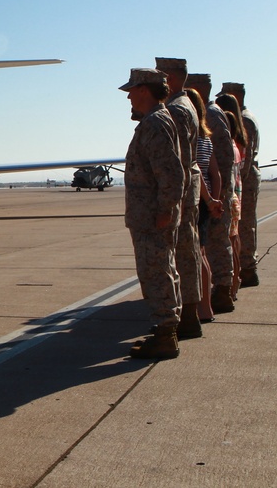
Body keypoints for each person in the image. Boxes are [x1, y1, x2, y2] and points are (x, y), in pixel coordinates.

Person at [120, 68, 185, 360]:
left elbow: (171, 173)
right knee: (161, 271)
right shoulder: (154, 121)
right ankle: (165, 331)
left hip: (152, 217)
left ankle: (165, 334)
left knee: (156, 272)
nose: (130, 97)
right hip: (149, 215)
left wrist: (164, 211)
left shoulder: (155, 124)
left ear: (144, 90)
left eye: (132, 91)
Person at [155, 57, 202, 340]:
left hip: (180, 193)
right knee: (189, 252)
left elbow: (176, 161)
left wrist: (168, 201)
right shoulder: (186, 106)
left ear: (170, 78)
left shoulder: (175, 109)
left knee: (183, 255)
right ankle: (188, 317)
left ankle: (186, 319)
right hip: (188, 189)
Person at [186, 73, 236, 314]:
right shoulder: (206, 131)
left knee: (209, 247)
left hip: (205, 198)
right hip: (211, 197)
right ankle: (218, 294)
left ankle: (220, 293)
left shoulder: (209, 118)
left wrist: (216, 198)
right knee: (210, 247)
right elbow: (215, 169)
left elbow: (211, 167)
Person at [186, 87, 223, 322]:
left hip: (197, 199)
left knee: (196, 256)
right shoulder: (207, 139)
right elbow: (215, 173)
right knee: (203, 254)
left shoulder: (191, 138)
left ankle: (202, 309)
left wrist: (208, 200)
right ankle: (206, 307)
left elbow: (196, 170)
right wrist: (214, 201)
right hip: (206, 200)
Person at [221, 82, 260, 287]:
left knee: (243, 226)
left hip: (243, 177)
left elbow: (246, 155)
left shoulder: (244, 120)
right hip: (242, 176)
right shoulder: (244, 117)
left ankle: (247, 268)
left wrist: (237, 185)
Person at [216, 94, 247, 298]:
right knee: (234, 240)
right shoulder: (240, 143)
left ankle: (232, 282)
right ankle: (237, 279)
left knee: (227, 242)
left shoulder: (229, 144)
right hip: (238, 194)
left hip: (230, 196)